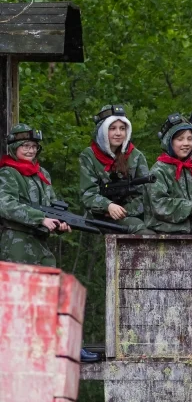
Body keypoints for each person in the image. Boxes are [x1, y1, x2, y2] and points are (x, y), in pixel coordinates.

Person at [0, 124, 97, 362]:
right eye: (25, 146)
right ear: (14, 148)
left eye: (33, 146)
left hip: (40, 243)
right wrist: (40, 218)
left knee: (52, 294)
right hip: (17, 243)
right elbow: (6, 205)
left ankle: (67, 345)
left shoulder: (41, 174)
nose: (30, 150)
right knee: (19, 298)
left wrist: (60, 223)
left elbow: (52, 205)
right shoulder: (7, 173)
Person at [144, 113, 192, 234]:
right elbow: (159, 204)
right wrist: (190, 208)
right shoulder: (159, 170)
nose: (186, 143)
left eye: (189, 139)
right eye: (180, 139)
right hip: (166, 237)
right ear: (169, 142)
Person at [79, 104, 152, 234]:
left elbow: (145, 193)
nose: (118, 133)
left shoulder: (135, 155)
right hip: (99, 216)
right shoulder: (89, 155)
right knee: (143, 232)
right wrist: (108, 206)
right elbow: (87, 194)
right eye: (112, 128)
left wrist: (124, 210)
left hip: (131, 213)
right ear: (103, 131)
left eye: (122, 128)